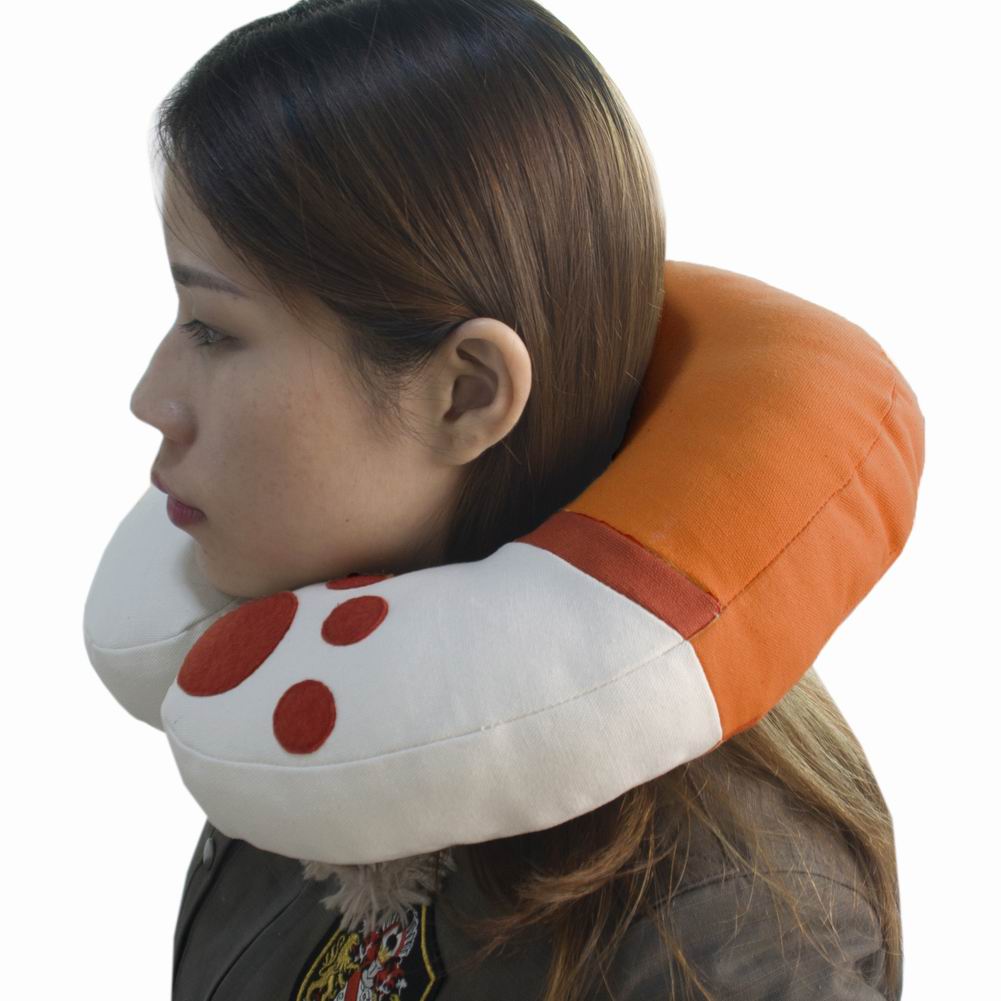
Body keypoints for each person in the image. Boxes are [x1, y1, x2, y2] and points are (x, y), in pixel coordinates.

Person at [125, 1, 904, 997]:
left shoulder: (718, 919)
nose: (150, 398)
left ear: (465, 394)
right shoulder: (304, 733)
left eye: (213, 329)